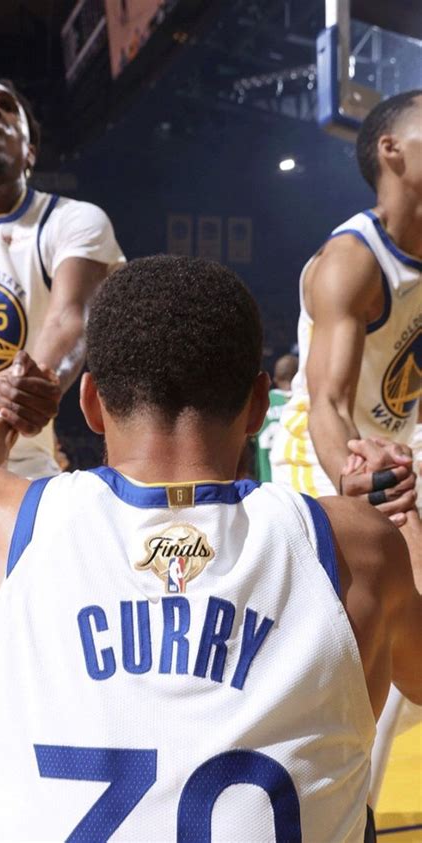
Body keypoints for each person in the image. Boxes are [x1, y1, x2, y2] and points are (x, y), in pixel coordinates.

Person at [0, 255, 421, 842]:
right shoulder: (356, 548)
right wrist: (393, 515)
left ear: (91, 403)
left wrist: (1, 425)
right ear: (256, 406)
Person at [270, 90, 422, 806]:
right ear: (391, 150)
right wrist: (359, 479)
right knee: (382, 627)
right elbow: (328, 401)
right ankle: (334, 799)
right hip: (323, 450)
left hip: (399, 442)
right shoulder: (353, 260)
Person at [0, 76, 125, 478]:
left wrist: (36, 386)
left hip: (20, 462)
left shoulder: (73, 219)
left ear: (30, 152)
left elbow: (70, 317)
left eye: (5, 107)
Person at [255, 353, 298, 482]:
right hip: (300, 486)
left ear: (275, 379)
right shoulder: (305, 403)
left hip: (267, 484)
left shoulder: (263, 401)